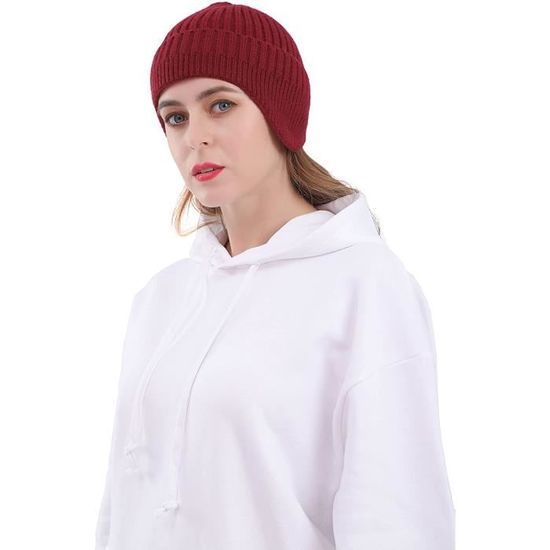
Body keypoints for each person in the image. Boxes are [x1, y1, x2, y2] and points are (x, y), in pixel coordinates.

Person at [94, 2, 456, 549]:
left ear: (279, 111)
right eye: (176, 117)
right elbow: (120, 506)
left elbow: (397, 518)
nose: (195, 137)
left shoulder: (365, 286)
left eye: (221, 105)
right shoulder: (161, 299)